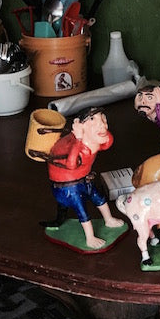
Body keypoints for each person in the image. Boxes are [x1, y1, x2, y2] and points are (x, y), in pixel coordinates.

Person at [43, 106, 125, 249]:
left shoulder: (93, 140)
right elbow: (71, 165)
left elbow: (107, 143)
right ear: (80, 125)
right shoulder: (78, 144)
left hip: (84, 178)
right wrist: (79, 139)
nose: (101, 124)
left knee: (99, 198)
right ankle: (89, 238)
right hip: (67, 187)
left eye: (102, 118)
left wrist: (100, 133)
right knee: (82, 209)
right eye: (93, 119)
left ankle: (109, 219)